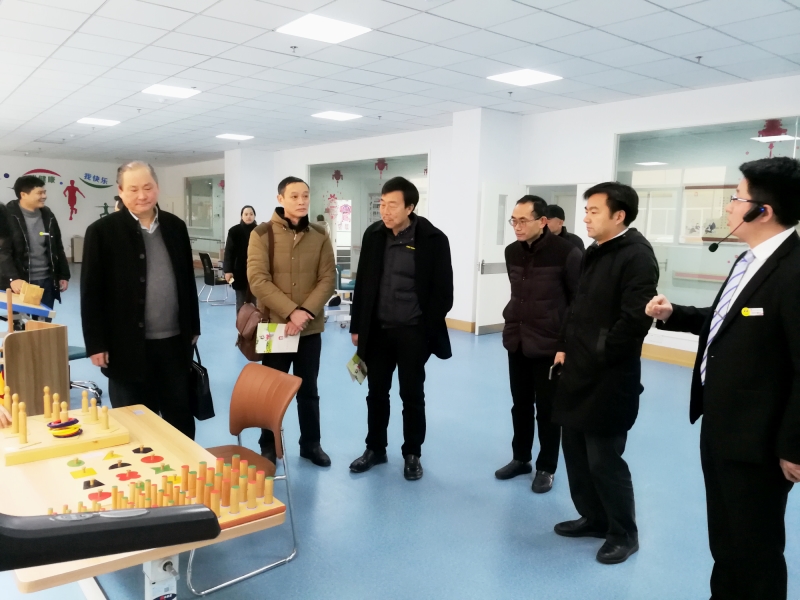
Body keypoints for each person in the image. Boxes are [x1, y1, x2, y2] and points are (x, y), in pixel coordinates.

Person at [646, 157, 800, 600]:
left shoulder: (794, 271)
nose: (729, 206)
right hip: (722, 424)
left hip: (760, 439)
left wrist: (794, 446)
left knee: (755, 547)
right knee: (727, 539)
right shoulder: (749, 260)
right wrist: (674, 314)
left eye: (736, 197)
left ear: (762, 211)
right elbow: (727, 320)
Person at [551, 182, 658, 565]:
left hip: (609, 377)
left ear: (619, 215)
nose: (586, 217)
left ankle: (623, 533)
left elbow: (635, 321)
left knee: (604, 460)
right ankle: (594, 518)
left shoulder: (637, 256)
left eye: (594, 210)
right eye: (586, 210)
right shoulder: (594, 251)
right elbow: (577, 307)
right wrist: (564, 346)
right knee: (576, 452)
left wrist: (599, 353)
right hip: (576, 370)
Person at [81, 161, 200, 440]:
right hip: (125, 347)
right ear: (121, 191)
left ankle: (183, 465)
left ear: (157, 187)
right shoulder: (102, 232)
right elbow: (91, 292)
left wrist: (193, 326)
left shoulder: (175, 226)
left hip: (174, 344)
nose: (142, 195)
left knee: (179, 417)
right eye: (133, 189)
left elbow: (186, 280)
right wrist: (96, 343)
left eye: (148, 187)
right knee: (134, 421)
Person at [348, 176, 453, 481]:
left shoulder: (433, 239)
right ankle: (375, 448)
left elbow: (443, 292)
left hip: (412, 332)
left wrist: (424, 329)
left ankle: (412, 453)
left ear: (410, 207)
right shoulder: (373, 235)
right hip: (378, 331)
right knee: (376, 393)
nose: (385, 210)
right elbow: (363, 284)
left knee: (412, 395)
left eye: (392, 205)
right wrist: (357, 326)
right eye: (382, 204)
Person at [248, 177, 335, 467]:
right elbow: (258, 280)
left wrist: (304, 312)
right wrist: (291, 312)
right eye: (294, 196)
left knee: (308, 390)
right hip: (275, 327)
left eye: (305, 196)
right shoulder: (262, 234)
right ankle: (268, 446)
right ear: (280, 199)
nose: (301, 201)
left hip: (310, 329)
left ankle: (311, 444)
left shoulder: (320, 235)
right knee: (271, 391)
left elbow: (327, 279)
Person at [496, 195, 581, 493]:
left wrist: (565, 345)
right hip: (517, 340)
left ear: (542, 221)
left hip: (549, 344)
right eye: (514, 221)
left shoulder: (567, 252)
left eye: (523, 221)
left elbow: (577, 302)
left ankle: (547, 467)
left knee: (547, 410)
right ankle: (521, 458)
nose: (517, 227)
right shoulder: (512, 252)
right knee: (520, 405)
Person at [3, 175, 70, 313]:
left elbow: (57, 246)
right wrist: (13, 278)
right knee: (21, 322)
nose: (44, 196)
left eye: (44, 192)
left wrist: (63, 275)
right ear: (23, 194)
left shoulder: (48, 215)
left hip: (47, 281)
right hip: (21, 283)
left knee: (43, 322)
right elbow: (3, 252)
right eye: (40, 193)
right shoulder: (6, 216)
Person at [223, 205, 257, 313]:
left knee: (256, 303)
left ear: (254, 216)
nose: (248, 216)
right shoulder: (234, 231)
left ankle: (256, 323)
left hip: (256, 271)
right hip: (239, 271)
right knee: (241, 301)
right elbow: (228, 252)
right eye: (246, 214)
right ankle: (241, 322)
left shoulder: (259, 231)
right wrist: (228, 271)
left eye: (251, 214)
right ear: (241, 216)